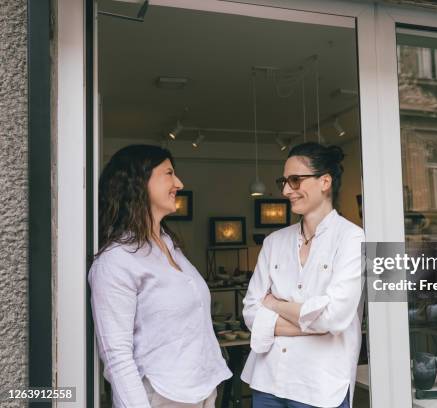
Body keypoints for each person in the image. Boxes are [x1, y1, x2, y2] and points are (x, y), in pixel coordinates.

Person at [89, 145, 231, 408]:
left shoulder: (170, 245)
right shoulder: (116, 260)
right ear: (139, 183)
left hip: (204, 391)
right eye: (169, 173)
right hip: (162, 396)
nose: (179, 183)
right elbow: (116, 356)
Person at [241, 142, 365, 408]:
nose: (286, 190)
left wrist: (274, 305)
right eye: (284, 181)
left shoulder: (351, 238)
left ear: (325, 182)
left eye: (295, 180)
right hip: (267, 380)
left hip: (320, 386)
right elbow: (251, 312)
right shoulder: (274, 242)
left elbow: (334, 317)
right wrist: (314, 324)